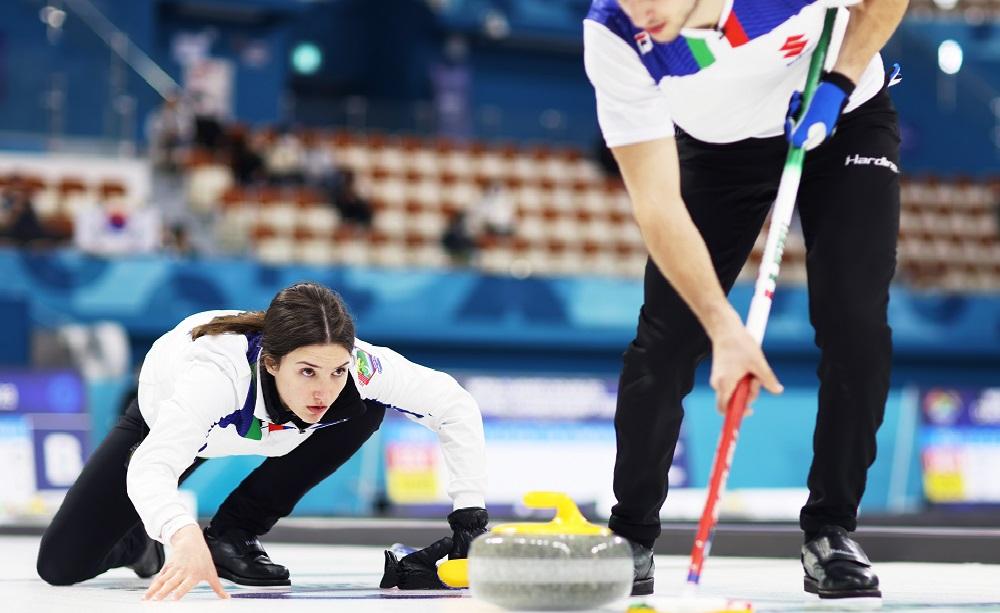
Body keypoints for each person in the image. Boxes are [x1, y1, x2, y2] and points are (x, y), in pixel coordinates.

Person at [583, 0, 906, 599]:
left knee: (855, 324)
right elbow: (656, 205)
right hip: (718, 152)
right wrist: (723, 326)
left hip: (844, 116)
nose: (641, 8)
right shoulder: (616, 35)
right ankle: (631, 536)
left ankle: (831, 531)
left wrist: (836, 84)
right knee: (666, 341)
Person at [36, 282, 489, 600]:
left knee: (364, 407)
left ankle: (234, 533)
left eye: (336, 371)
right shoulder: (216, 376)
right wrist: (180, 534)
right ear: (271, 363)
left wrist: (468, 516)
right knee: (61, 566)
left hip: (261, 433)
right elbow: (151, 466)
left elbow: (455, 406)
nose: (324, 390)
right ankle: (139, 546)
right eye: (307, 371)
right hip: (169, 424)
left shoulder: (360, 370)